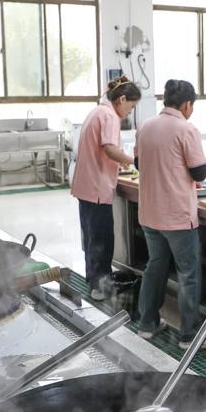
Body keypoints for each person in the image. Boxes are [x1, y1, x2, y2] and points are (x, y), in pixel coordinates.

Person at [135, 80, 206, 349]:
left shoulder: (146, 126)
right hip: (177, 216)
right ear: (187, 104)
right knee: (188, 274)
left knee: (155, 266)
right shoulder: (186, 129)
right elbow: (199, 172)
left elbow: (138, 163)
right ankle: (189, 335)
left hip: (150, 213)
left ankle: (147, 325)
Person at [70, 76, 139, 301]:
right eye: (131, 107)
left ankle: (93, 280)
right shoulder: (109, 116)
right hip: (96, 188)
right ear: (122, 99)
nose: (130, 112)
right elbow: (109, 149)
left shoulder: (97, 111)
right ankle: (100, 288)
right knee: (102, 239)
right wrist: (134, 161)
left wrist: (121, 162)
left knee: (91, 238)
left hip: (86, 186)